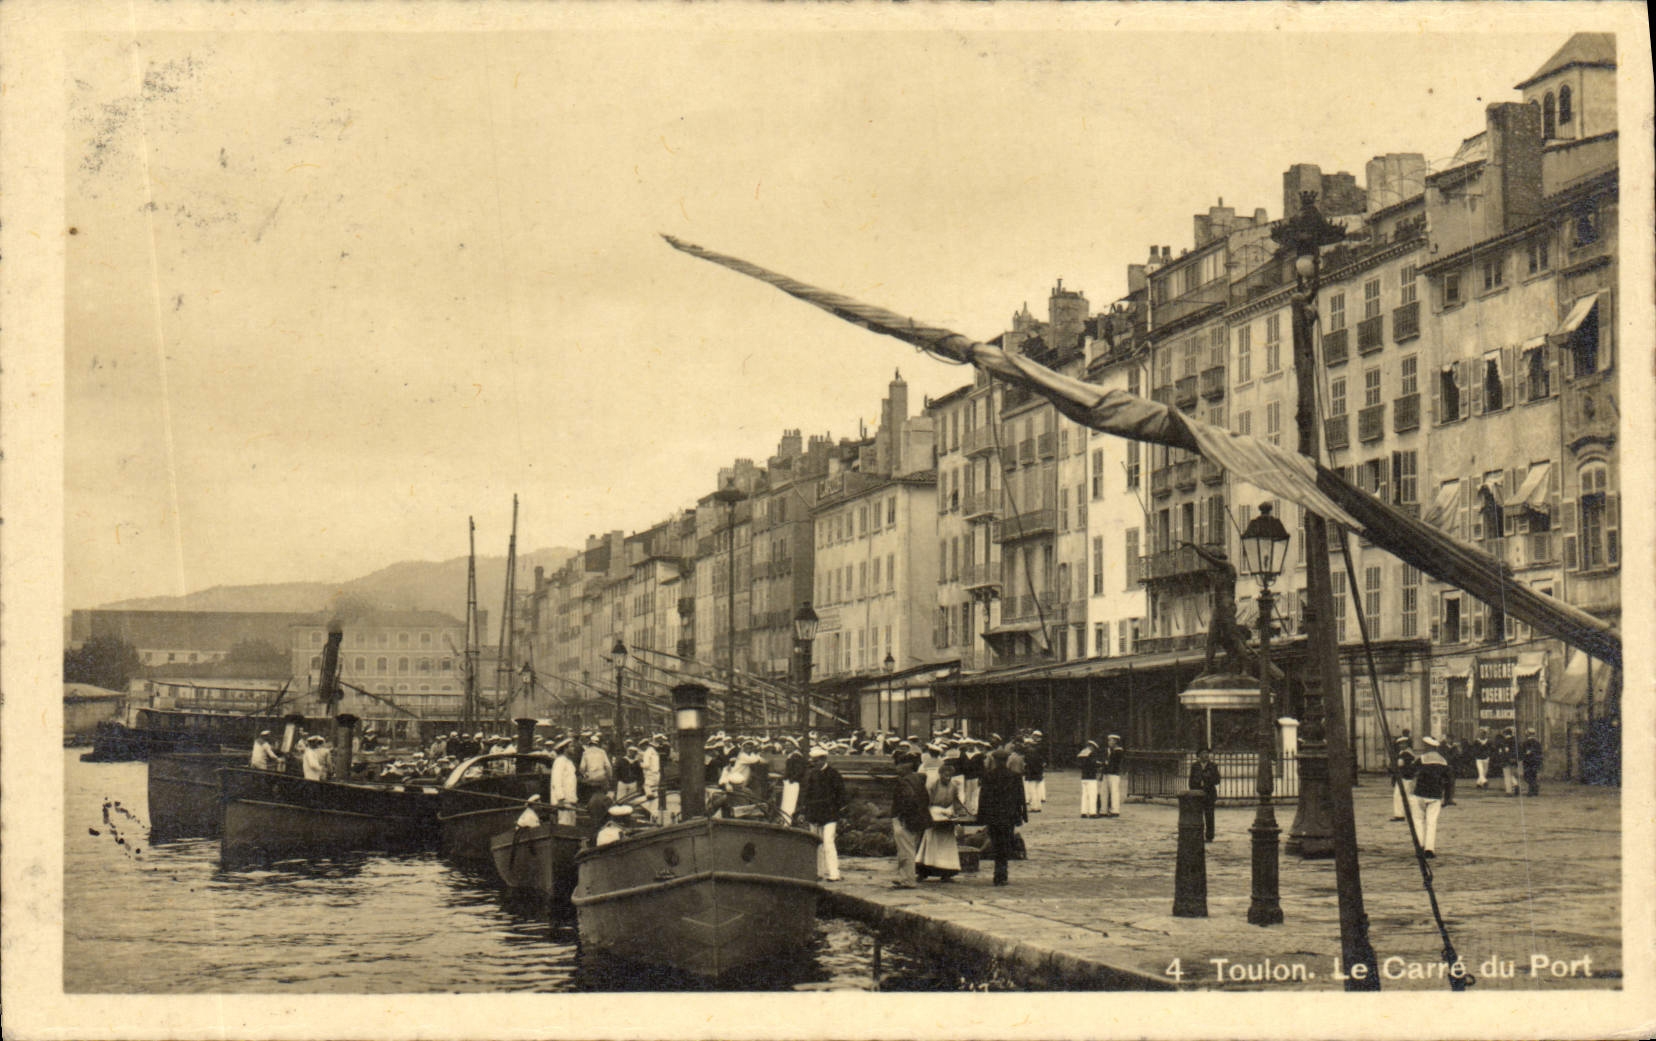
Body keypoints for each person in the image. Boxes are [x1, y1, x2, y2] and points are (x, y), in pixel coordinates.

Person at [977, 746, 1027, 886]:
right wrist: (1022, 815)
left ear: (994, 760)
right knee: (1005, 844)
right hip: (1009, 817)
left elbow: (983, 797)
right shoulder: (1015, 776)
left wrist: (981, 816)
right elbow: (1020, 798)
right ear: (1006, 760)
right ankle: (1002, 874)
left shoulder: (988, 776)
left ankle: (997, 873)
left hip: (993, 816)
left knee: (996, 843)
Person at [799, 747, 847, 881]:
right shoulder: (810, 775)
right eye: (813, 761)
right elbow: (806, 795)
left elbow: (841, 795)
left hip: (829, 814)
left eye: (816, 761)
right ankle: (819, 872)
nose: (814, 764)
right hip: (814, 813)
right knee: (817, 844)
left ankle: (834, 873)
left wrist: (840, 812)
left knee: (828, 843)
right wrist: (804, 811)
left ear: (824, 759)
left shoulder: (834, 774)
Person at [916, 759, 968, 882]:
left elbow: (956, 802)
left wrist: (959, 813)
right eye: (945, 775)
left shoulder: (954, 787)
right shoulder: (933, 785)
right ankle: (924, 872)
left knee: (947, 847)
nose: (948, 778)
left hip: (947, 814)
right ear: (940, 774)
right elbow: (926, 802)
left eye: (950, 776)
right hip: (934, 812)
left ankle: (946, 873)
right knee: (930, 843)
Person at [888, 749, 931, 889]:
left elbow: (908, 800)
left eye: (898, 765)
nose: (896, 768)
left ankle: (907, 880)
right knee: (909, 848)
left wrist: (901, 817)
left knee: (905, 850)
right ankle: (905, 877)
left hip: (905, 819)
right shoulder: (918, 779)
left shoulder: (904, 782)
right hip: (918, 819)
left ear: (905, 766)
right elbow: (926, 799)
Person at [1409, 736, 1453, 858]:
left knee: (1418, 821)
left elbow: (1410, 772)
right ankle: (1429, 849)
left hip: (1420, 794)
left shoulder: (1421, 759)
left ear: (1428, 747)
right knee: (1431, 822)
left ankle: (1419, 846)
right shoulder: (1443, 762)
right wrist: (1447, 798)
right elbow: (1449, 781)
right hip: (1436, 795)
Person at [1188, 747, 1221, 842]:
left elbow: (1217, 780)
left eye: (1207, 753)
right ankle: (1197, 835)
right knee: (1197, 816)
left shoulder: (1213, 766)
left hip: (1209, 794)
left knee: (1209, 816)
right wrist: (1194, 790)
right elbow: (1191, 781)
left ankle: (1209, 836)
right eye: (1203, 753)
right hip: (1198, 794)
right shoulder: (1195, 766)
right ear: (1198, 756)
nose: (1206, 755)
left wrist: (1207, 780)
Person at [550, 736, 580, 826]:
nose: (573, 748)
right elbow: (556, 781)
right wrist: (560, 799)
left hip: (570, 801)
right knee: (564, 826)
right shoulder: (560, 761)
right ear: (565, 748)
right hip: (563, 802)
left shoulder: (569, 762)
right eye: (571, 746)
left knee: (571, 826)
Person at [1390, 735, 1418, 821]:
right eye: (1400, 744)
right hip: (1407, 777)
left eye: (1403, 744)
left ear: (1407, 744)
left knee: (1398, 796)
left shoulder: (1405, 754)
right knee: (1408, 796)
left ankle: (1399, 815)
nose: (1401, 745)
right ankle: (1413, 813)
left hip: (1404, 777)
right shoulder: (1407, 753)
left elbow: (1399, 765)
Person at [578, 734, 613, 801]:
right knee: (603, 797)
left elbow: (582, 768)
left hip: (591, 778)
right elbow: (608, 766)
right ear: (597, 744)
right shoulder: (602, 752)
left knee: (590, 796)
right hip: (601, 778)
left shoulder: (585, 752)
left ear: (590, 743)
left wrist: (585, 775)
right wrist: (609, 777)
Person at [780, 744, 807, 824]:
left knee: (790, 801)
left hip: (793, 783)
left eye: (789, 745)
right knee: (788, 801)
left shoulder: (796, 756)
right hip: (790, 781)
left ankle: (787, 820)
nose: (787, 747)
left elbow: (799, 770)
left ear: (794, 746)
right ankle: (786, 819)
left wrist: (791, 779)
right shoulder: (792, 755)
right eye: (786, 746)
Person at [1101, 734, 1126, 818]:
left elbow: (1114, 761)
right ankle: (1103, 809)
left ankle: (1115, 810)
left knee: (1114, 792)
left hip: (1114, 773)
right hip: (1106, 773)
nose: (1109, 742)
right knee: (1104, 792)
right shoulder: (1108, 751)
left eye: (1110, 740)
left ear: (1115, 741)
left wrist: (1109, 755)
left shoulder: (1118, 751)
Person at [1077, 740, 1102, 818]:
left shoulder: (1082, 753)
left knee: (1084, 795)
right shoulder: (1092, 754)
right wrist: (1100, 764)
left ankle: (1083, 812)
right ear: (1092, 747)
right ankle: (1092, 812)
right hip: (1091, 777)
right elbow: (1093, 764)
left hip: (1084, 777)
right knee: (1092, 795)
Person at [1023, 733, 1046, 813]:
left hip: (1031, 774)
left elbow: (1028, 764)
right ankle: (1038, 806)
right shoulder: (1037, 753)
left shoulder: (1029, 753)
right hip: (1038, 773)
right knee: (1037, 790)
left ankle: (1034, 807)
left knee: (1032, 791)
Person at [1496, 726, 1521, 796]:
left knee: (1507, 775)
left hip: (1506, 760)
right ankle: (1515, 784)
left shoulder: (1504, 741)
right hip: (1514, 761)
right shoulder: (1515, 741)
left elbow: (1502, 752)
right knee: (1512, 774)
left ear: (1505, 733)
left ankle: (1509, 791)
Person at [1520, 728, 1544, 796]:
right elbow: (1540, 752)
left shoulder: (1526, 742)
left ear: (1527, 734)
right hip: (1536, 761)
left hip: (1528, 761)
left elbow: (1524, 752)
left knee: (1527, 776)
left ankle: (1531, 790)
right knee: (1533, 775)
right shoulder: (1537, 742)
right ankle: (1535, 790)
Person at [640, 736, 662, 801]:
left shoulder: (647, 752)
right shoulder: (655, 752)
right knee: (655, 790)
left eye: (642, 747)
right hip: (657, 773)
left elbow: (646, 765)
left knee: (647, 786)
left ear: (644, 745)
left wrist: (640, 764)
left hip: (650, 773)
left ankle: (650, 800)